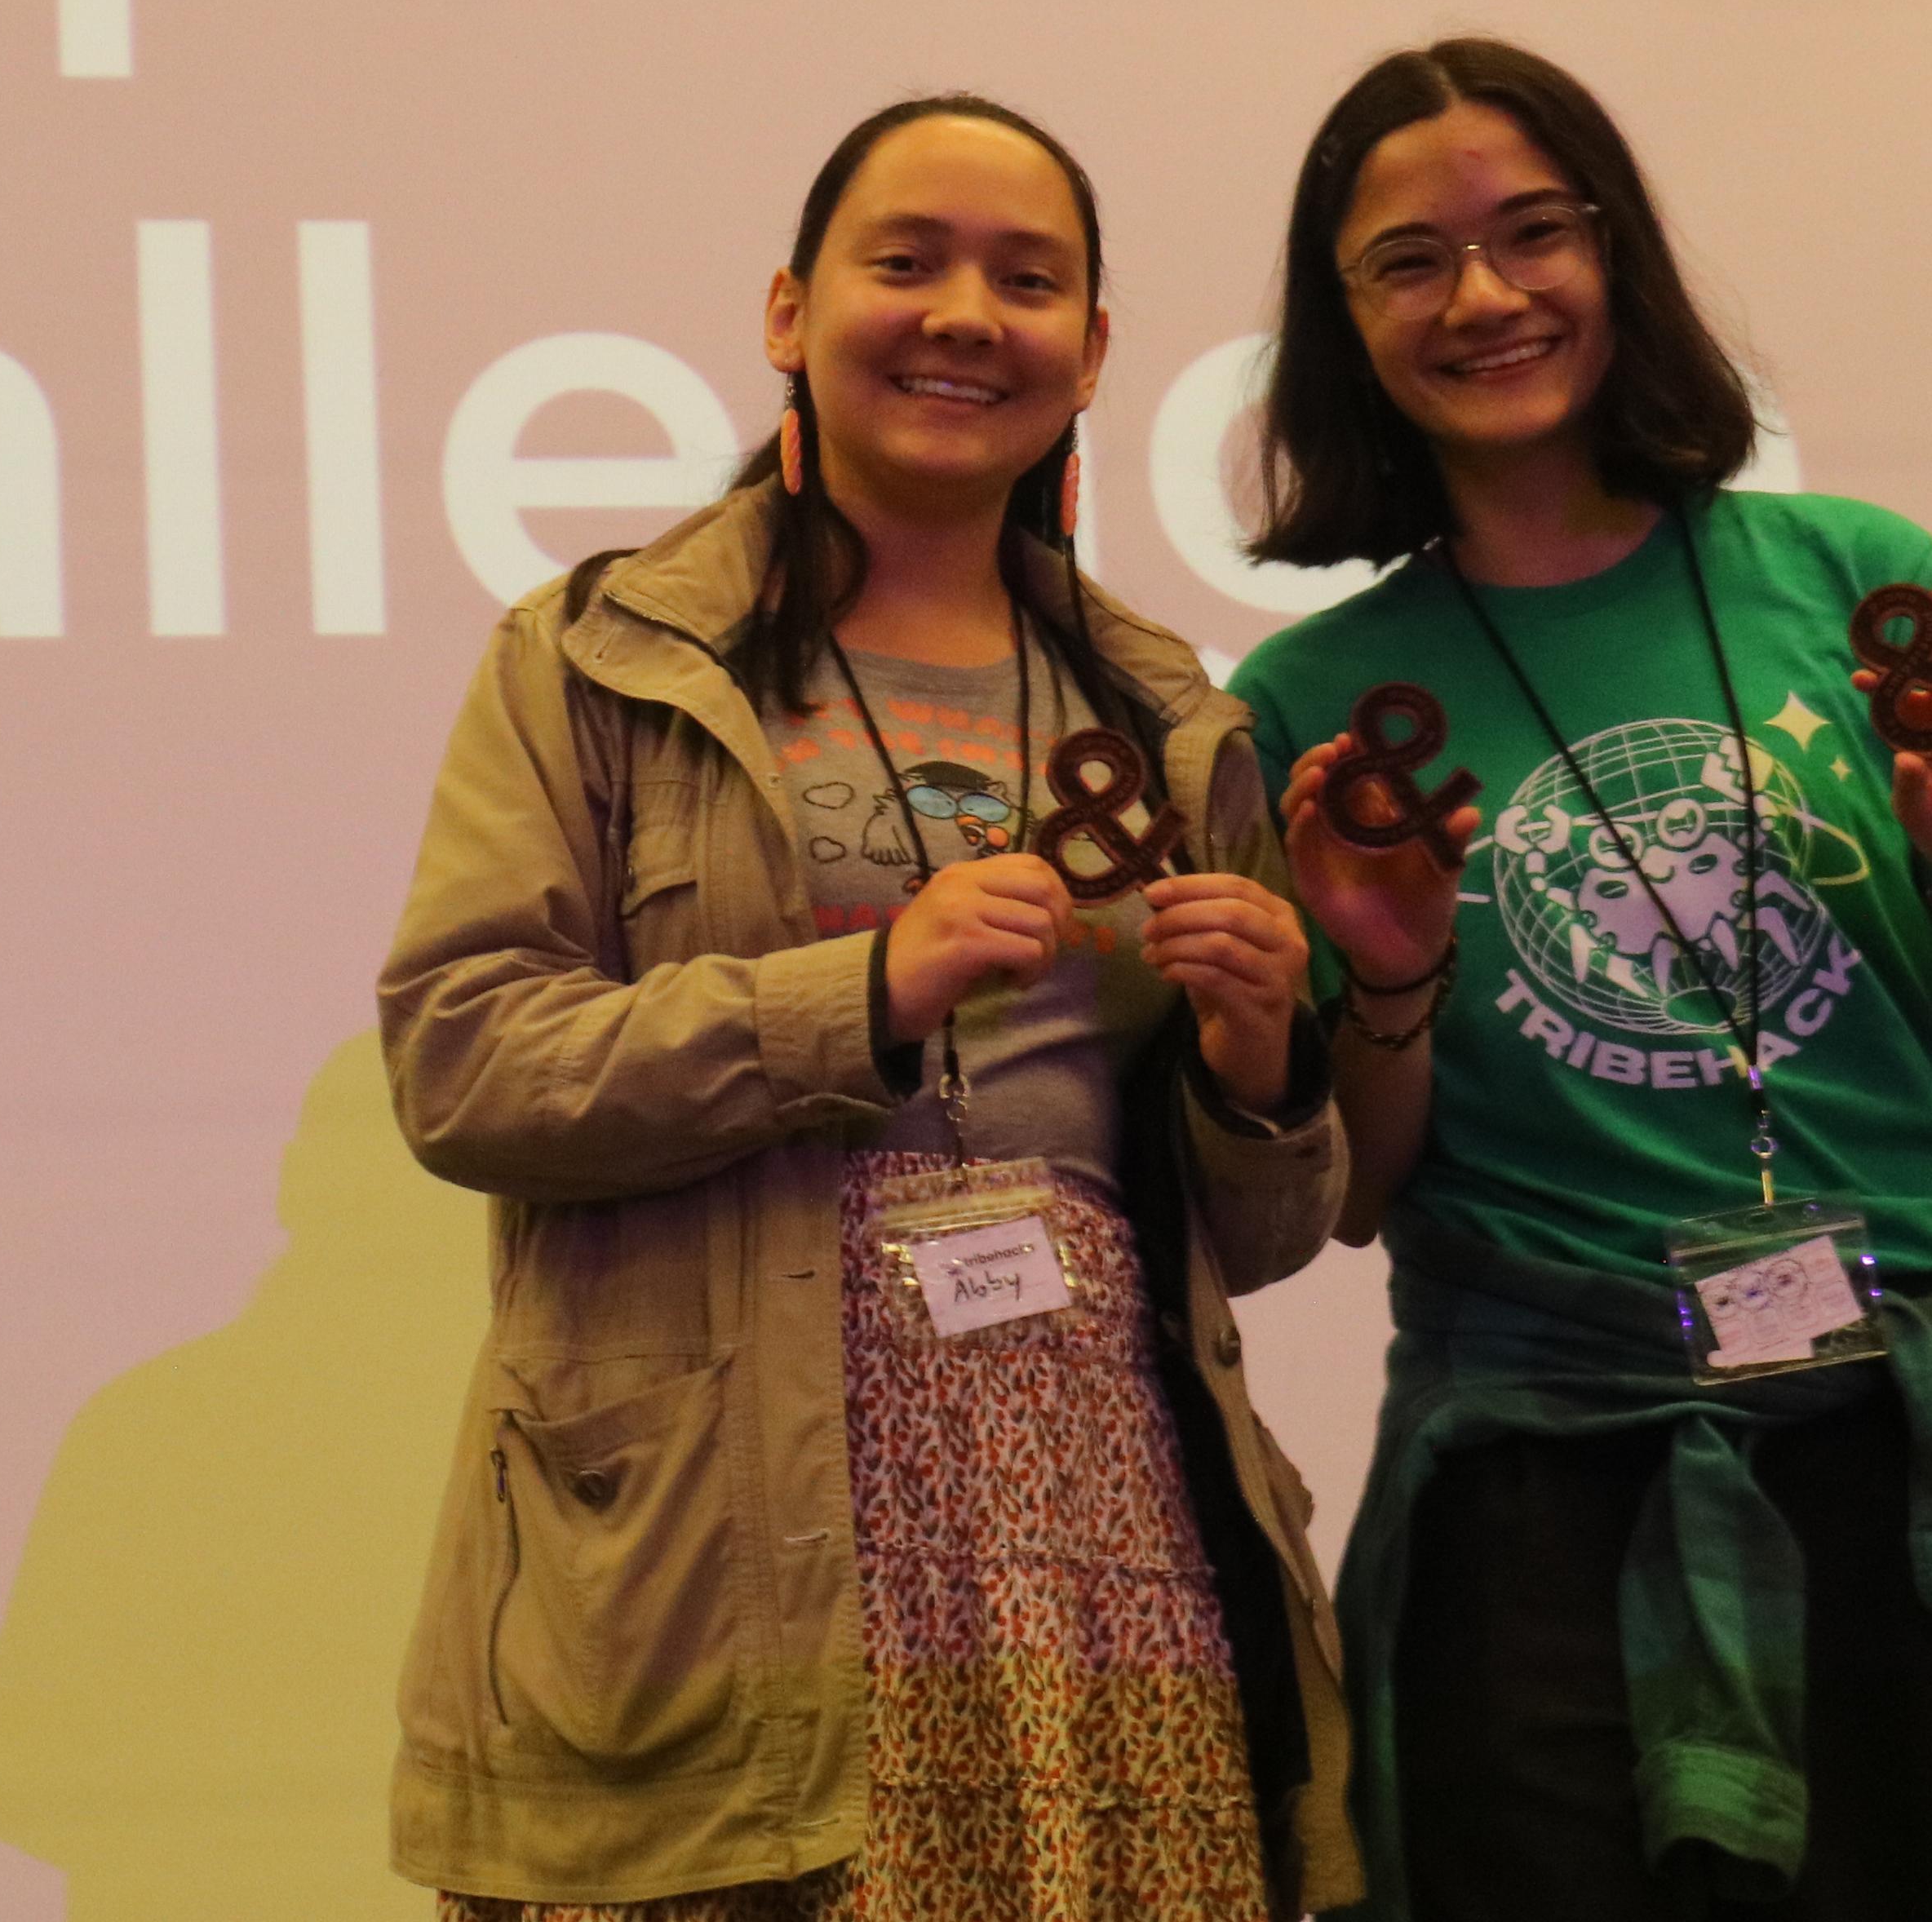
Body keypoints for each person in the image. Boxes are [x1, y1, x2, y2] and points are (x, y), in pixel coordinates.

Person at [1222, 39, 1932, 1922]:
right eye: (1410, 260)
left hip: (1914, 1461)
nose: (1487, 297)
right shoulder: (1305, 705)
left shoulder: (1854, 574)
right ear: (1344, 322)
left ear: (1619, 255)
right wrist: (1397, 976)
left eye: (1534, 234)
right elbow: (1354, 1194)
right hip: (1545, 1493)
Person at [378, 95, 1368, 1921]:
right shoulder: (597, 654)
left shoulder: (1167, 715)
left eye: (1028, 278)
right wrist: (869, 989)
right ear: (787, 312)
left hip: (1099, 1526)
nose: (965, 314)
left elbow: (1266, 1234)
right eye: (904, 262)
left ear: (1091, 352)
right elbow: (464, 1062)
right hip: (720, 1535)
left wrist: (1255, 1059)